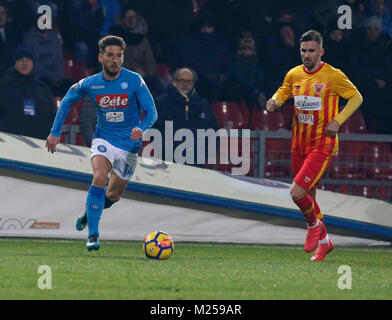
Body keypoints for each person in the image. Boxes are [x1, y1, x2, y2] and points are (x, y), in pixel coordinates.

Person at [46, 35, 157, 251]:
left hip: (129, 146)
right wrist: (54, 132)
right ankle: (93, 235)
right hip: (104, 139)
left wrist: (141, 129)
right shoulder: (91, 83)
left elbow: (152, 111)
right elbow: (67, 100)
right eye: (110, 55)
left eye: (119, 55)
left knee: (113, 195)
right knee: (99, 177)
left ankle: (89, 213)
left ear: (123, 57)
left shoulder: (134, 80)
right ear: (101, 58)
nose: (115, 60)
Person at [266, 30, 363, 261]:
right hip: (298, 142)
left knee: (296, 193)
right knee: (309, 197)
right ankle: (325, 242)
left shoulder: (333, 75)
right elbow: (285, 91)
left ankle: (312, 227)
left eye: (311, 51)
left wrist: (338, 121)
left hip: (323, 144)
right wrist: (275, 100)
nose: (307, 55)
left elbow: (357, 97)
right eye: (303, 51)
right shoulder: (294, 73)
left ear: (321, 51)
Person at [153, 67, 218, 167]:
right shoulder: (161, 102)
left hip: (197, 161)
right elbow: (153, 131)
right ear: (173, 81)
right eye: (181, 80)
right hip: (169, 160)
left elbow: (214, 131)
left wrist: (205, 152)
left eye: (189, 81)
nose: (185, 84)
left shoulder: (203, 105)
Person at [0, 45, 55, 139]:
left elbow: (51, 117)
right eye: (20, 59)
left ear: (33, 63)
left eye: (28, 59)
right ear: (14, 63)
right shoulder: (3, 86)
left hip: (38, 143)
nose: (24, 63)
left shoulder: (43, 88)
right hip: (9, 143)